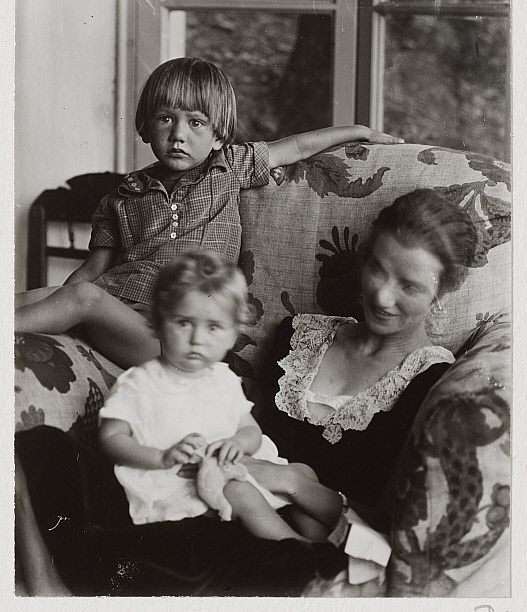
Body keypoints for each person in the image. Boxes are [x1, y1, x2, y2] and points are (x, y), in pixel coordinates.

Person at [15, 57, 403, 368]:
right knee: (48, 295)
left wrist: (359, 131)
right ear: (146, 127)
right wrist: (61, 298)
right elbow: (92, 270)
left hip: (173, 333)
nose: (178, 134)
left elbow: (297, 147)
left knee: (82, 298)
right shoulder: (123, 194)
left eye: (196, 123)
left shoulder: (228, 168)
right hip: (115, 313)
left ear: (219, 135)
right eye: (166, 118)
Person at [238, 188, 478, 532]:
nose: (381, 296)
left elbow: (394, 527)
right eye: (377, 269)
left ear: (441, 294)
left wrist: (295, 483)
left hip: (319, 561)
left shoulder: (433, 386)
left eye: (409, 286)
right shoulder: (296, 338)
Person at [98, 251, 343, 543]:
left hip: (229, 467)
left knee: (303, 472)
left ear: (230, 336)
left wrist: (237, 443)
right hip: (179, 480)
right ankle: (298, 551)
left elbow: (250, 430)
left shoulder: (223, 380)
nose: (197, 338)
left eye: (213, 327)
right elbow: (111, 438)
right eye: (184, 323)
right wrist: (161, 457)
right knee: (240, 491)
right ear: (159, 323)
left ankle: (324, 545)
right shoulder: (140, 383)